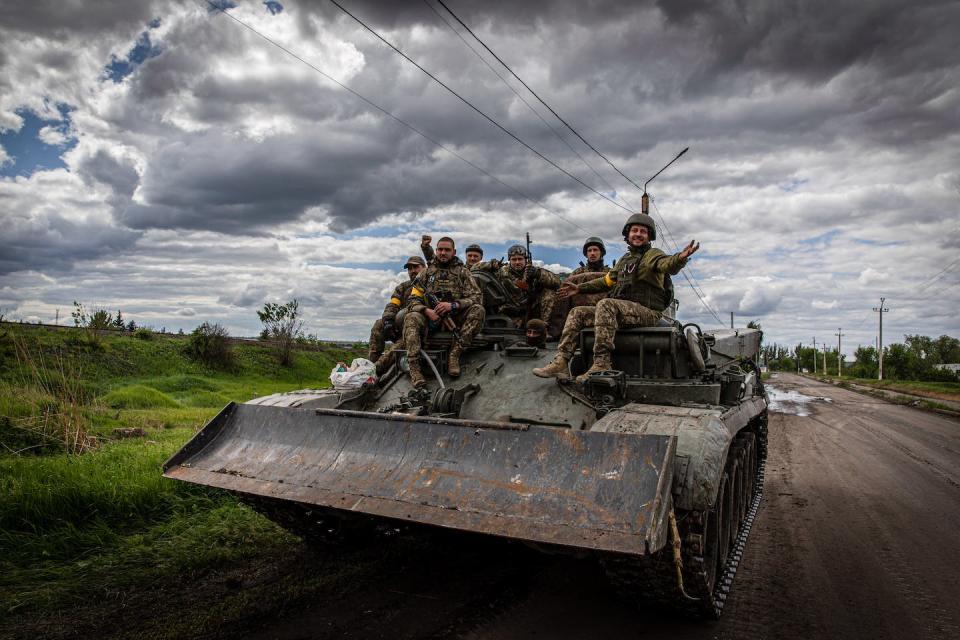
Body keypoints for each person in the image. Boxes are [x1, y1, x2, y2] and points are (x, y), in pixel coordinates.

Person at [533, 213, 699, 382]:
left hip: (648, 312)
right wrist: (579, 288)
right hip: (625, 311)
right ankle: (561, 361)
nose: (638, 234)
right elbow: (607, 281)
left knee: (605, 304)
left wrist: (679, 258)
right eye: (634, 230)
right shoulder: (625, 260)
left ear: (649, 237)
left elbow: (667, 264)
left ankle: (601, 363)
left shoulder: (653, 255)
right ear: (628, 235)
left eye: (643, 231)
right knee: (578, 312)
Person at [403, 237, 485, 387]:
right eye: (440, 249)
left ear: (453, 252)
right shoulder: (426, 273)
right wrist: (426, 311)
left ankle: (454, 355)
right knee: (411, 317)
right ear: (436, 251)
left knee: (478, 310)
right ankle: (415, 369)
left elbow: (476, 297)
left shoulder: (463, 273)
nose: (443, 253)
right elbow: (412, 301)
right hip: (430, 319)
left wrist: (454, 305)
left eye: (447, 250)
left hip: (456, 317)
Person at [367, 256, 426, 361]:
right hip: (400, 326)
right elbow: (393, 305)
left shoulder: (430, 285)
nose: (412, 271)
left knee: (391, 355)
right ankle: (372, 361)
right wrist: (388, 321)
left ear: (424, 267)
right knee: (379, 324)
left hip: (417, 329)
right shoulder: (403, 288)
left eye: (416, 267)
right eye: (410, 268)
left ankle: (378, 367)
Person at [488, 244, 561, 328]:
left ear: (525, 260)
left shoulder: (533, 270)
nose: (517, 262)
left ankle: (544, 328)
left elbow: (557, 282)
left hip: (532, 309)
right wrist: (491, 264)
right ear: (509, 260)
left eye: (520, 259)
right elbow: (477, 269)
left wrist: (537, 274)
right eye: (514, 259)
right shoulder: (502, 272)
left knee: (549, 292)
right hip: (510, 310)